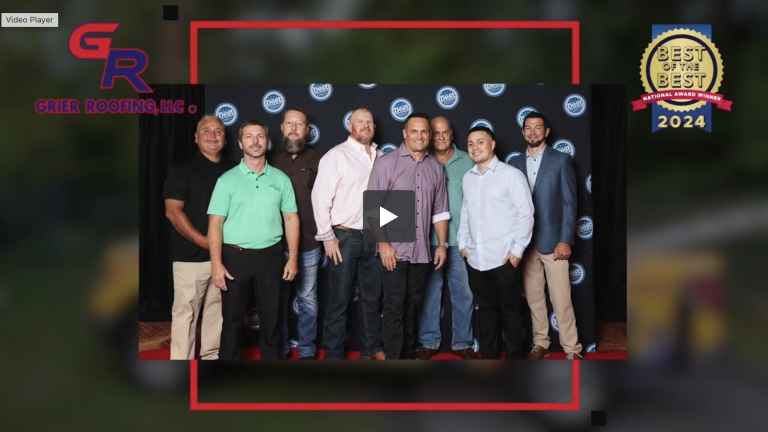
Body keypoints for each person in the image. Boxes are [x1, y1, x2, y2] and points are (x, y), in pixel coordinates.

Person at [207, 120, 299, 360]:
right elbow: (215, 223)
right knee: (232, 321)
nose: (255, 141)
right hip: (235, 257)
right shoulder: (226, 180)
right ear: (240, 143)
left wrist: (293, 259)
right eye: (249, 136)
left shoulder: (280, 179)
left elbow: (291, 219)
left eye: (260, 136)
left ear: (267, 142)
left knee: (272, 319)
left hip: (271, 256)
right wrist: (216, 264)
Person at [368, 112, 450, 360]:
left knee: (412, 305)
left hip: (422, 250)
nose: (420, 136)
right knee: (394, 307)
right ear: (405, 134)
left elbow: (440, 211)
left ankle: (406, 356)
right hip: (393, 247)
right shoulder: (387, 163)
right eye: (414, 131)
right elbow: (373, 206)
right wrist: (384, 243)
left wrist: (443, 244)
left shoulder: (435, 168)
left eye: (424, 131)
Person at [311, 108, 385, 360]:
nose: (366, 126)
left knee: (372, 300)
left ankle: (371, 350)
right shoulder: (336, 156)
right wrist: (327, 236)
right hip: (343, 237)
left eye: (370, 122)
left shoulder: (381, 156)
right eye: (360, 122)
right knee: (339, 301)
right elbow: (320, 197)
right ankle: (333, 355)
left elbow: (386, 199)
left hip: (374, 237)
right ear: (350, 126)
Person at [162, 114, 237, 360]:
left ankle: (210, 360)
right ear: (196, 137)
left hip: (226, 257)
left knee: (216, 312)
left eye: (218, 131)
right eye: (206, 131)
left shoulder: (235, 170)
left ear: (225, 139)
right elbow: (173, 211)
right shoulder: (181, 168)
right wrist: (204, 241)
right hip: (190, 257)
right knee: (186, 313)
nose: (212, 135)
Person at [509, 112, 583, 360]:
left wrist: (565, 239)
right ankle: (541, 343)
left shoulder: (561, 160)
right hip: (525, 244)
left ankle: (572, 349)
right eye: (528, 128)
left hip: (554, 242)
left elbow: (569, 203)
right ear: (523, 132)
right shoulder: (515, 164)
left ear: (546, 131)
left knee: (561, 300)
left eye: (537, 127)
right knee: (534, 300)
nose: (532, 132)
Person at [458, 125, 534, 360]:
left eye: (480, 142)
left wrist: (517, 251)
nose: (475, 147)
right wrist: (463, 245)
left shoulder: (511, 175)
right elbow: (465, 213)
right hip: (475, 260)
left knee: (511, 312)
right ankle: (489, 359)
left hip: (503, 258)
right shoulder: (467, 178)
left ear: (492, 144)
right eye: (470, 143)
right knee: (486, 312)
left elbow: (526, 214)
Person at [414, 117, 476, 360]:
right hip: (427, 242)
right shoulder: (421, 161)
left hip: (461, 242)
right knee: (429, 293)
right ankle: (428, 342)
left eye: (445, 132)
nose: (440, 137)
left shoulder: (469, 160)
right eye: (436, 133)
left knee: (464, 294)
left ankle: (463, 343)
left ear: (452, 133)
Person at [267, 107, 323, 360]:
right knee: (276, 300)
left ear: (307, 130)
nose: (293, 127)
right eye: (288, 122)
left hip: (309, 244)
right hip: (273, 244)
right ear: (281, 127)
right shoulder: (266, 158)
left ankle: (307, 350)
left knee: (308, 300)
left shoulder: (319, 160)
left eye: (299, 124)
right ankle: (278, 349)